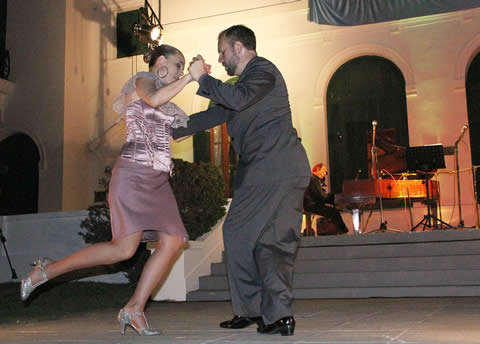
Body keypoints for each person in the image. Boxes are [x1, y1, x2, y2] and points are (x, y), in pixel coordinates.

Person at [20, 44, 193, 336]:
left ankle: (134, 309)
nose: (179, 71)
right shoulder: (143, 82)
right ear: (162, 61)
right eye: (179, 65)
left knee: (174, 240)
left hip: (158, 181)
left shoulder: (169, 102)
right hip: (134, 175)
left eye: (182, 68)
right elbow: (151, 99)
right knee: (123, 250)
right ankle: (46, 272)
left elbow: (180, 126)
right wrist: (189, 78)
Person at [172, 25, 311, 336]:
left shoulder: (263, 71)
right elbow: (205, 118)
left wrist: (203, 78)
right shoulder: (242, 86)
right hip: (279, 171)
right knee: (270, 244)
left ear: (238, 46)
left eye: (222, 51)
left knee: (239, 232)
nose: (220, 58)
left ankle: (251, 309)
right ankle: (278, 316)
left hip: (273, 169)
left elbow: (237, 98)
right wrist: (158, 130)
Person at [303, 163, 349, 234]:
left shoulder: (311, 178)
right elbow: (321, 196)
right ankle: (343, 232)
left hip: (310, 204)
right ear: (318, 170)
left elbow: (319, 196)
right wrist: (333, 198)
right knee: (334, 212)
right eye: (324, 171)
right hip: (312, 205)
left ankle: (342, 231)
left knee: (333, 211)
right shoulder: (314, 179)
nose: (325, 174)